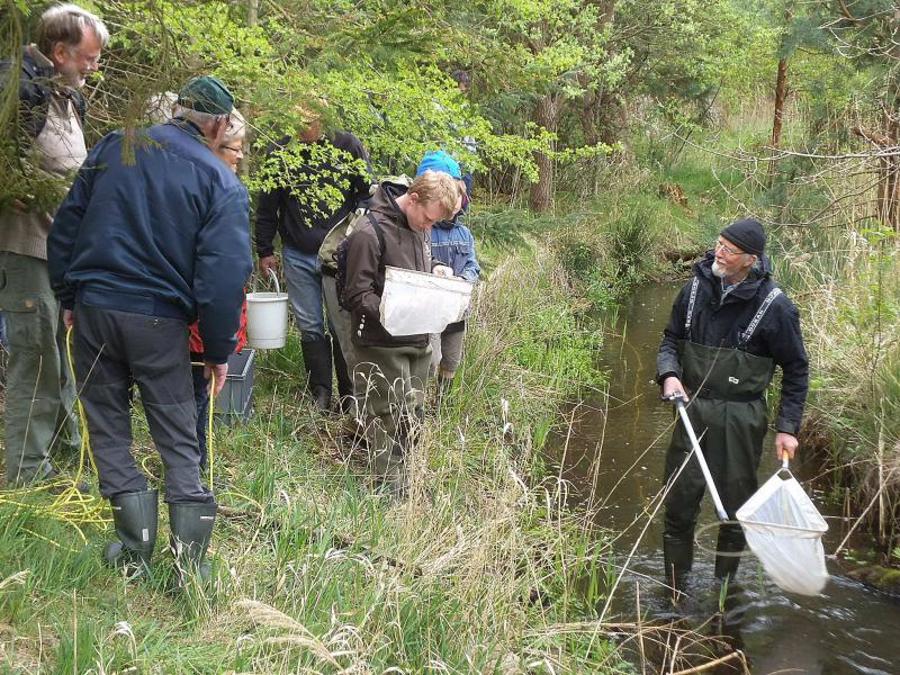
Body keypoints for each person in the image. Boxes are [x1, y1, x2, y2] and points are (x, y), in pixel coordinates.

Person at [47, 76, 252, 581]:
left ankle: (133, 548)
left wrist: (69, 296)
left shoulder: (117, 146)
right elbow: (223, 276)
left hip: (95, 308)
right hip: (159, 321)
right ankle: (189, 563)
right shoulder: (219, 181)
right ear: (221, 124)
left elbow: (67, 226)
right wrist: (219, 350)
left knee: (108, 426)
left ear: (179, 109)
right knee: (178, 433)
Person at [656, 218, 809, 594]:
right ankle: (675, 591)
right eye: (718, 244)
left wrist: (787, 427)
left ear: (750, 260)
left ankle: (725, 593)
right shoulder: (693, 289)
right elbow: (670, 341)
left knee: (734, 511)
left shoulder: (777, 307)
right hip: (691, 411)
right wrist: (669, 374)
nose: (718, 253)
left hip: (741, 418)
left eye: (728, 250)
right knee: (678, 506)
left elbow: (796, 368)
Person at [0, 3, 108, 489]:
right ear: (59, 51)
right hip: (22, 249)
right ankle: (27, 470)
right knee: (36, 355)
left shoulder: (66, 95)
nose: (94, 66)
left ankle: (62, 456)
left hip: (59, 252)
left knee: (61, 355)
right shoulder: (15, 90)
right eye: (88, 57)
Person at [343, 168, 462, 491]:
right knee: (387, 417)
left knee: (413, 416)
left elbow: (412, 273)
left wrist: (434, 273)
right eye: (428, 219)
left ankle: (407, 482)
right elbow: (355, 294)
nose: (429, 227)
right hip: (380, 341)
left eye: (435, 223)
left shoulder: (418, 227)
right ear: (412, 199)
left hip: (418, 339)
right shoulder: (368, 233)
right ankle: (388, 493)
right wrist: (392, 308)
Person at [255, 106, 372, 412]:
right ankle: (320, 393)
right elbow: (268, 204)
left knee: (341, 326)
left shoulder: (346, 145)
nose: (302, 129)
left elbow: (365, 197)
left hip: (338, 256)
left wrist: (354, 236)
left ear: (322, 118)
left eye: (307, 121)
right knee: (309, 326)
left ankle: (349, 396)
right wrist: (265, 249)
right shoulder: (281, 149)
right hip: (297, 252)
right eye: (297, 122)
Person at [188, 109, 249, 469]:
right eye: (233, 148)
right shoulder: (209, 191)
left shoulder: (222, 188)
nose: (239, 156)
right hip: (196, 324)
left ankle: (198, 466)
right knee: (194, 397)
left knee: (199, 396)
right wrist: (216, 342)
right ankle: (194, 472)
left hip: (210, 324)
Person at [420, 151, 480, 403]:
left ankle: (441, 403)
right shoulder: (424, 228)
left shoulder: (465, 234)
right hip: (429, 309)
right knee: (429, 360)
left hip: (457, 311)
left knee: (452, 359)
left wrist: (464, 279)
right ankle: (420, 403)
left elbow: (473, 266)